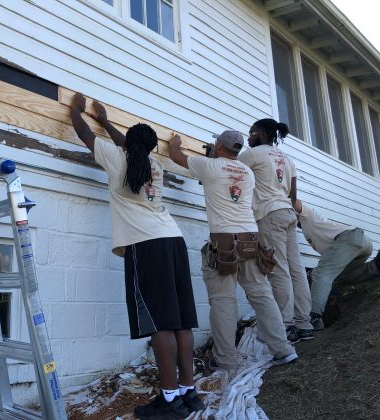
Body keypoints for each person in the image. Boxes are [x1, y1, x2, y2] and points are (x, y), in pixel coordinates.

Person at [69, 92, 204, 419]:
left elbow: (85, 136)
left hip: (147, 246)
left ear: (129, 144)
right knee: (182, 321)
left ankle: (170, 401)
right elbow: (129, 145)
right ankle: (189, 393)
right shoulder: (153, 165)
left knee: (160, 323)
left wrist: (77, 111)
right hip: (173, 241)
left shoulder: (118, 158)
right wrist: (105, 121)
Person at [168, 130, 297, 373]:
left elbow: (176, 156)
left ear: (218, 146)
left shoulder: (210, 167)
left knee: (223, 301)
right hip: (251, 238)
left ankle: (227, 360)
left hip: (224, 241)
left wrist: (175, 143)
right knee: (261, 293)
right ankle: (283, 349)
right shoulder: (247, 172)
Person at [238, 119, 313, 343]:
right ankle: (304, 324)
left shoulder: (253, 154)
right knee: (296, 269)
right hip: (288, 213)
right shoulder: (286, 158)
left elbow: (229, 166)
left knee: (278, 269)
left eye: (251, 134)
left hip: (270, 215)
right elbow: (293, 193)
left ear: (261, 134)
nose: (248, 138)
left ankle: (285, 325)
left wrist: (214, 155)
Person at [294, 199, 380, 330]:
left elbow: (295, 201)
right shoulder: (308, 231)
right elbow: (332, 260)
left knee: (322, 273)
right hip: (361, 245)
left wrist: (281, 195)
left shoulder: (307, 216)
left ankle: (314, 317)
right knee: (339, 276)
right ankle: (376, 266)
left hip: (350, 238)